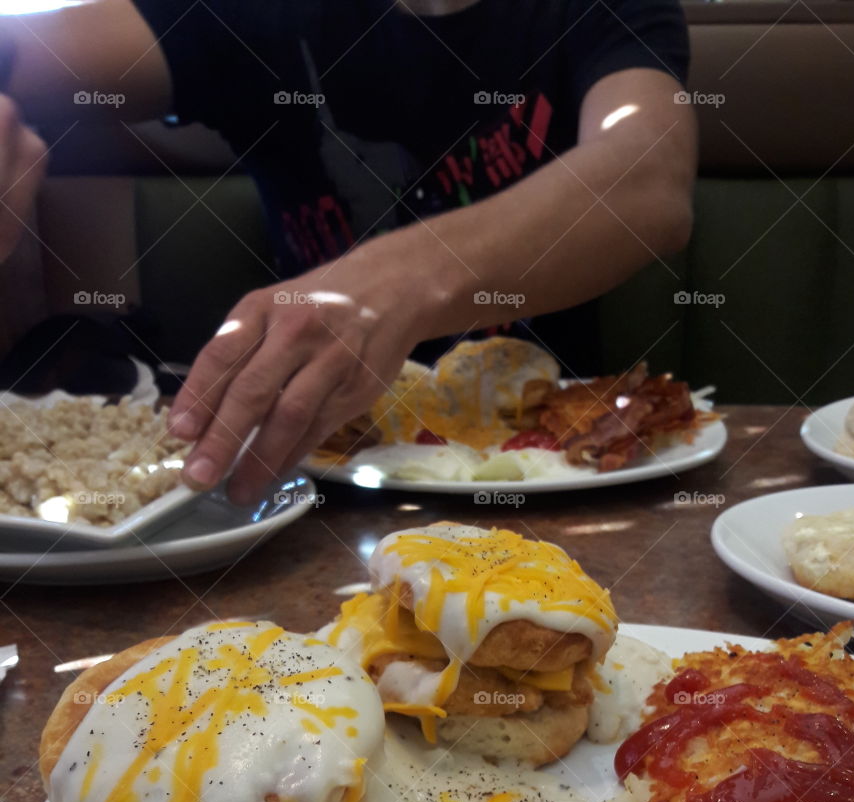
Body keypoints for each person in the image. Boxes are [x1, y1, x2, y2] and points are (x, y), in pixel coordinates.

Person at [0, 0, 695, 501]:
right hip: (306, 488)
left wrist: (388, 281)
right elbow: (27, 52)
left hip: (570, 477)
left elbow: (647, 183)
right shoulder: (241, 15)